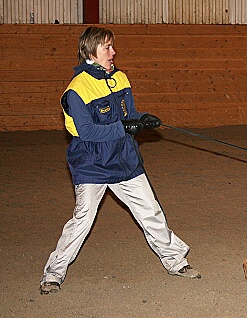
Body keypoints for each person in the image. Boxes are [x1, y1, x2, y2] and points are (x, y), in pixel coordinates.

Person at [40, 26, 200, 295]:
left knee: (150, 211)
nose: (113, 52)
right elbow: (87, 131)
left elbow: (130, 112)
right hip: (92, 164)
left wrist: (143, 119)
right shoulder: (76, 90)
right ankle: (53, 274)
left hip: (125, 159)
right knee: (82, 221)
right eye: (107, 48)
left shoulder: (120, 78)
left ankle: (175, 261)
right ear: (91, 52)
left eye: (112, 47)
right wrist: (125, 128)